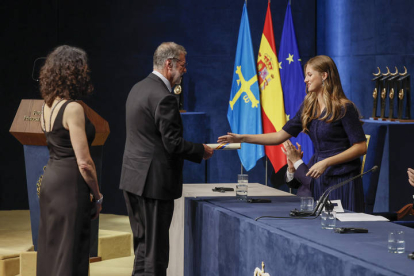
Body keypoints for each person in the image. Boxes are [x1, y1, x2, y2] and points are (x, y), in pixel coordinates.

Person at [218, 55, 367, 212]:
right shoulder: (309, 107)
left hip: (342, 178)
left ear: (324, 75)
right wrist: (242, 138)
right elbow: (279, 136)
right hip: (320, 176)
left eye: (310, 75)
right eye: (305, 75)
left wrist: (327, 162)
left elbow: (361, 147)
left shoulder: (344, 107)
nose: (305, 80)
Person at [119, 42, 214, 276]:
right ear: (169, 64)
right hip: (154, 186)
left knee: (143, 249)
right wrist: (200, 150)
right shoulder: (165, 97)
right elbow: (173, 144)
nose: (185, 70)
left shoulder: (137, 88)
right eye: (182, 65)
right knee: (155, 255)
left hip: (133, 180)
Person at [37, 45, 102, 276]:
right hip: (70, 186)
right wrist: (97, 194)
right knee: (70, 251)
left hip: (50, 182)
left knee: (51, 248)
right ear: (75, 73)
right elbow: (84, 162)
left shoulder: (46, 105)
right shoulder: (72, 108)